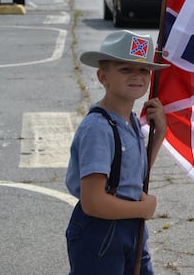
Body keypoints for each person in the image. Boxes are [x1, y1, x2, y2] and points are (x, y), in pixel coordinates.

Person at [65, 30, 169, 274]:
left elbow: (131, 174)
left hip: (130, 227)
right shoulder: (99, 129)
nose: (137, 76)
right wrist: (143, 209)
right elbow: (93, 202)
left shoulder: (130, 120)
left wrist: (158, 135)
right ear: (103, 77)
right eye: (125, 69)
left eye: (144, 70)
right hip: (101, 232)